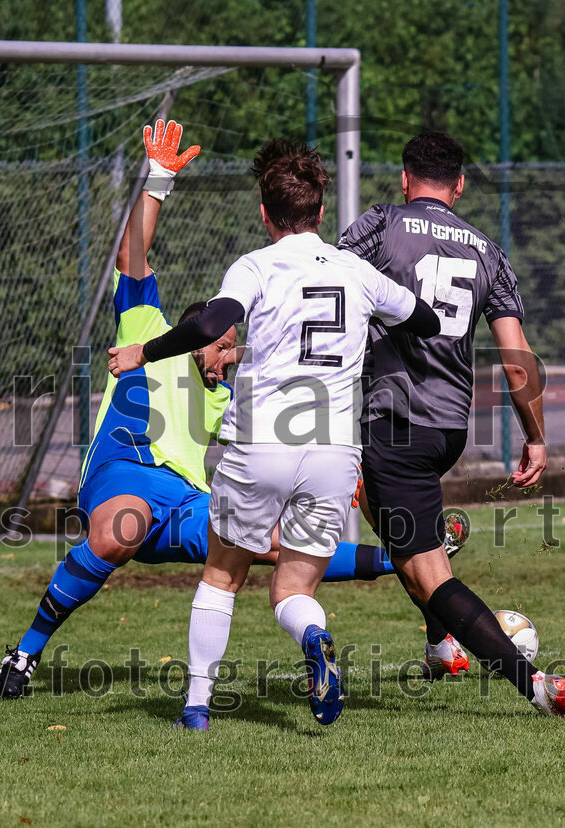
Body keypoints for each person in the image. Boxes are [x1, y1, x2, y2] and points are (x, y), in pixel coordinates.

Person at [0, 121, 401, 700]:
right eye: (221, 344)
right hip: (124, 477)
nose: (228, 356)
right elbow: (133, 256)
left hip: (186, 500)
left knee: (283, 546)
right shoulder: (146, 327)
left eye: (233, 347)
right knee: (121, 528)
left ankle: (397, 561)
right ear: (195, 331)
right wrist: (158, 179)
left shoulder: (225, 397)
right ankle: (27, 651)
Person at [110, 138, 440, 729]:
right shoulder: (355, 270)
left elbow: (211, 323)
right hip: (334, 452)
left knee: (221, 577)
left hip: (262, 444)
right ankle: (314, 637)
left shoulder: (256, 265)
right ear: (319, 212)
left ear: (265, 214)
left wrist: (143, 352)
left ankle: (196, 707)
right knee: (292, 588)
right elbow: (426, 320)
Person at [337, 131, 565, 716]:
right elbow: (518, 360)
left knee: (425, 575)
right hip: (447, 429)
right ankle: (441, 643)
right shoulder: (486, 252)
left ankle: (533, 684)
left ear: (404, 177)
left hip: (396, 420)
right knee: (385, 517)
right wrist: (537, 437)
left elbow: (325, 280)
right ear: (461, 185)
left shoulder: (382, 224)